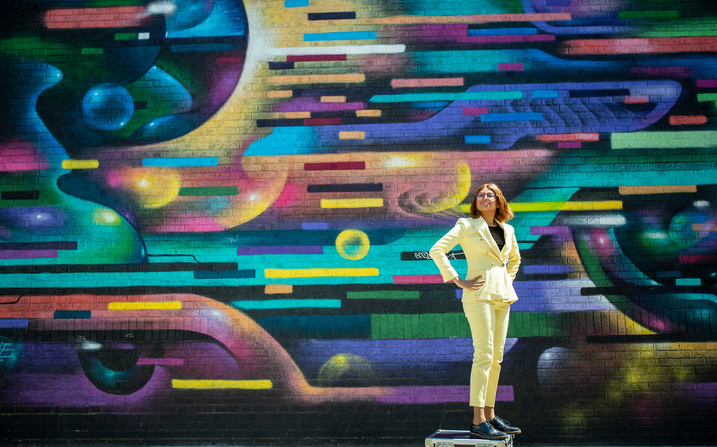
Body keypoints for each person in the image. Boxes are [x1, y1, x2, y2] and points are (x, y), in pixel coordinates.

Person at [429, 183, 522, 440]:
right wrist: (458, 280)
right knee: (483, 355)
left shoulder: (508, 229)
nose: (484, 197)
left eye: (489, 195)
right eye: (480, 195)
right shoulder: (466, 225)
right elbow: (437, 250)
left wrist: (506, 279)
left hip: (502, 296)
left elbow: (515, 259)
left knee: (496, 358)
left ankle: (491, 416)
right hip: (478, 296)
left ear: (498, 201)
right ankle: (477, 420)